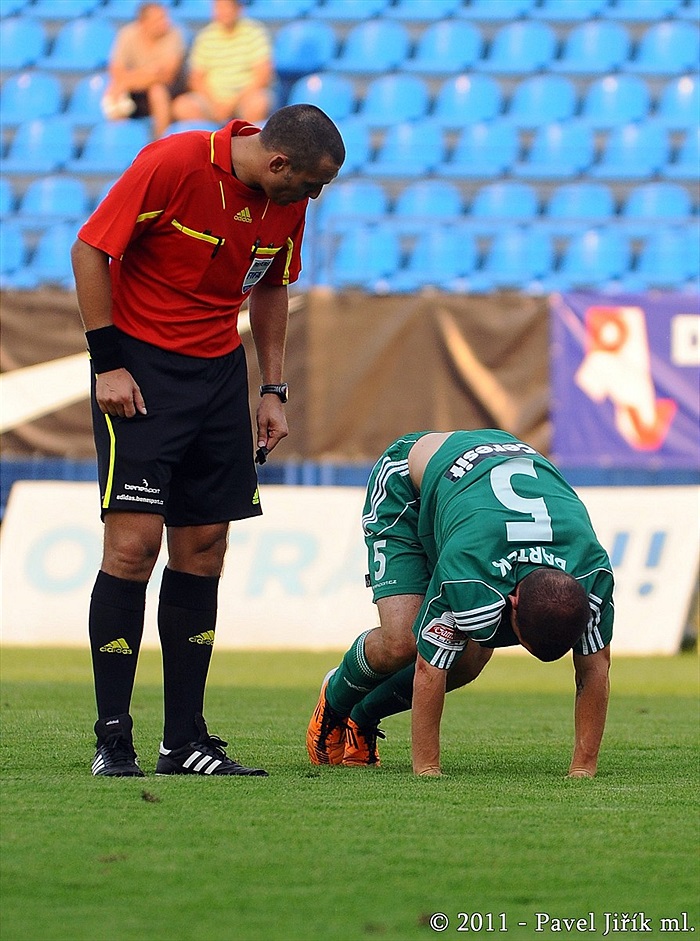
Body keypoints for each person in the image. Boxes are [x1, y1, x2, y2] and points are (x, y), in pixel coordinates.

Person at [71, 104, 345, 777]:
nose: (313, 198)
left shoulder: (286, 202)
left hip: (219, 374)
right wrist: (108, 363)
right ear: (277, 162)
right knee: (133, 548)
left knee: (205, 549)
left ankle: (184, 741)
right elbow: (90, 250)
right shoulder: (175, 162)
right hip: (140, 371)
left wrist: (272, 388)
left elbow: (273, 286)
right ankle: (113, 739)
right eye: (311, 185)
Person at [306, 430, 613, 778]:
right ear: (512, 600)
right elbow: (429, 668)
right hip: (408, 488)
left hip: (472, 503)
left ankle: (363, 717)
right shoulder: (471, 573)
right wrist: (428, 769)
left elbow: (595, 669)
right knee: (403, 641)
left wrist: (582, 769)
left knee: (467, 662)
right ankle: (335, 702)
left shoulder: (591, 572)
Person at [172, 0, 273, 127]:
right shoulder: (205, 36)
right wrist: (215, 103)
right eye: (219, 7)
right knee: (182, 106)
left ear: (238, 9)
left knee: (258, 103)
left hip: (245, 98)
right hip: (212, 100)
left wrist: (233, 103)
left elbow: (262, 75)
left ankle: (248, 137)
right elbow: (196, 78)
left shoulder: (255, 32)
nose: (223, 12)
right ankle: (211, 137)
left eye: (227, 7)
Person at [102, 1, 186, 139]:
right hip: (136, 90)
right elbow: (117, 72)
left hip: (170, 90)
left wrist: (129, 81)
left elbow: (168, 75)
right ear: (143, 22)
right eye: (159, 19)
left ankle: (160, 142)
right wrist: (149, 73)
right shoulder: (127, 35)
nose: (165, 22)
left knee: (157, 91)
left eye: (165, 17)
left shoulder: (174, 34)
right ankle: (122, 141)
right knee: (115, 93)